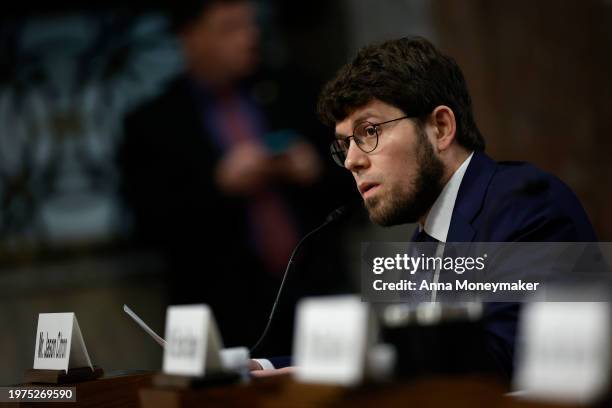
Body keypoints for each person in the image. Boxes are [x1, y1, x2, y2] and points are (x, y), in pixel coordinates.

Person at [250, 36, 597, 377]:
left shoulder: (525, 203)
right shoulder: (426, 240)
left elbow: (507, 358)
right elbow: (399, 350)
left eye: (369, 131)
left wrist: (360, 369)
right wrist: (262, 368)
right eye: (345, 144)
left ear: (440, 127)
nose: (352, 160)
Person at [119, 0, 351, 355]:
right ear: (190, 37)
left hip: (317, 294)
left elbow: (358, 188)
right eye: (230, 28)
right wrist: (219, 186)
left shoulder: (295, 90)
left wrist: (315, 166)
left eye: (251, 25)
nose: (249, 38)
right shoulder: (154, 121)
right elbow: (147, 225)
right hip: (223, 312)